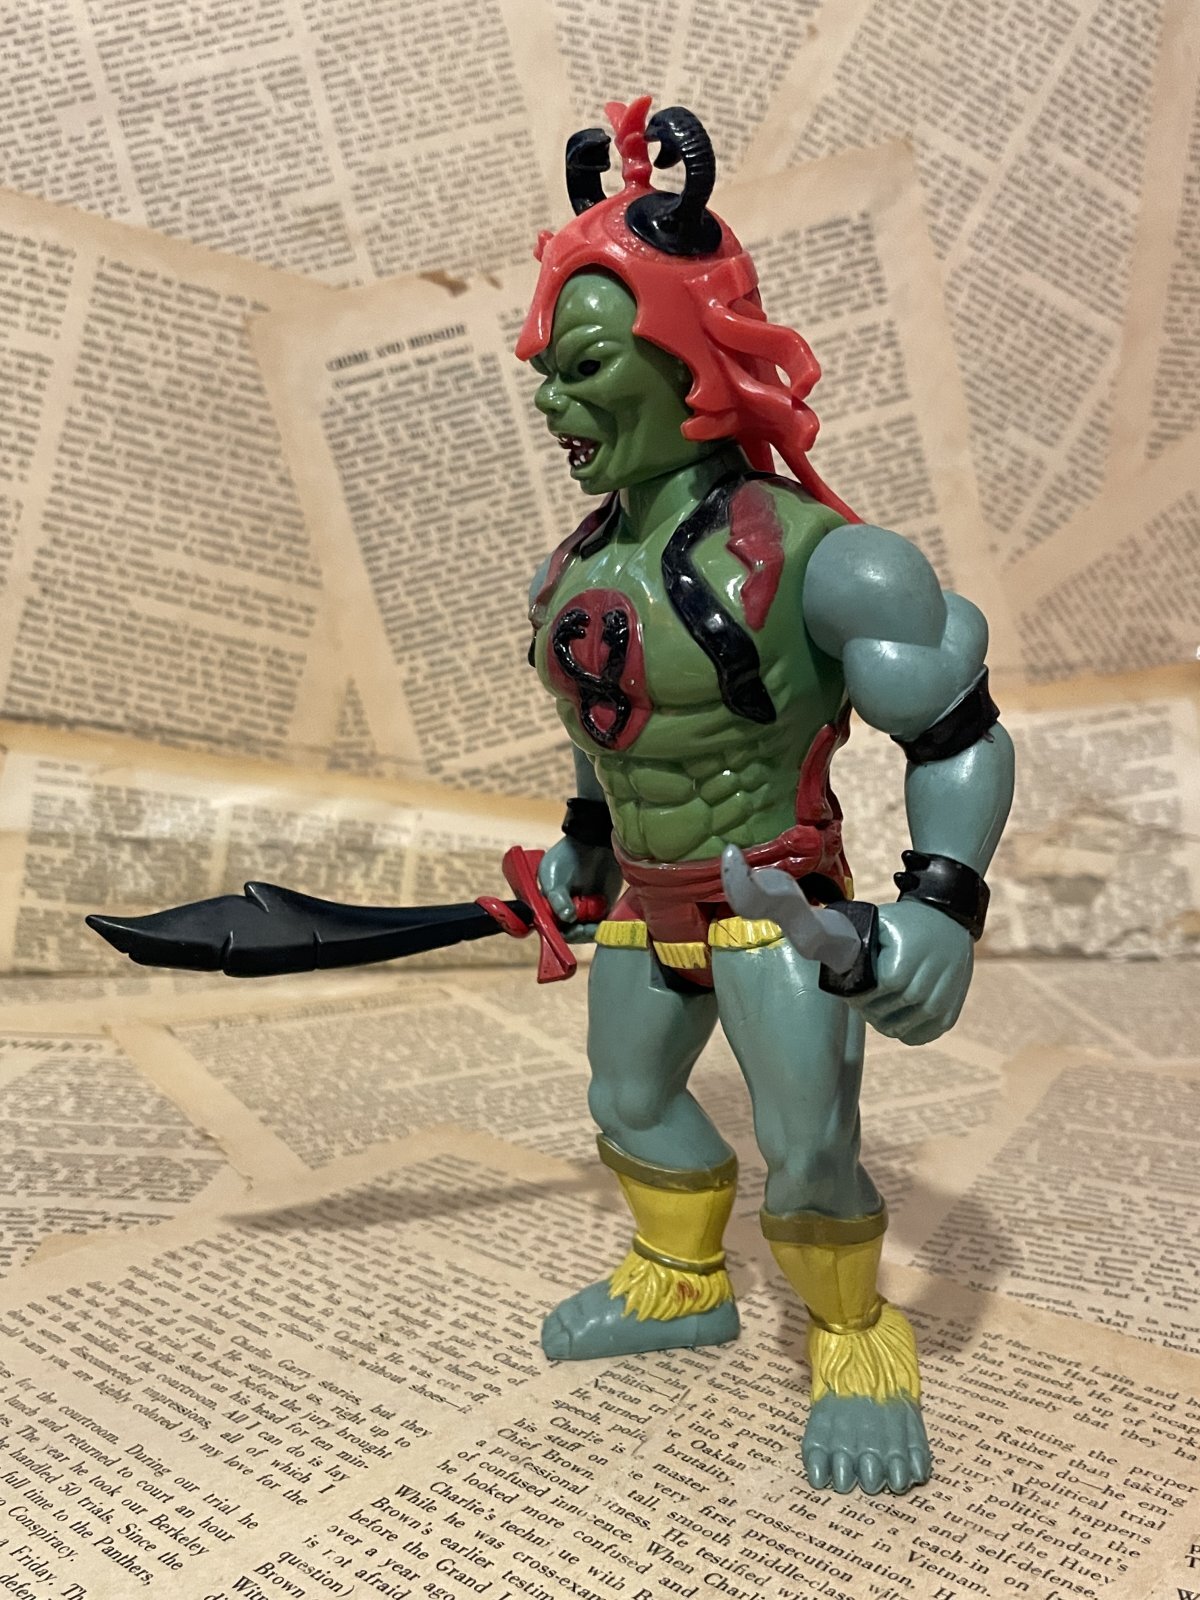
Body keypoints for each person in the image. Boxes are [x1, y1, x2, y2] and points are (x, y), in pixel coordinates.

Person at [518, 97, 1014, 1496]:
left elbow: (960, 734)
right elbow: (604, 726)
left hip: (776, 905)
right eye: (546, 373)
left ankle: (855, 1339)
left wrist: (942, 907)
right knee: (628, 1101)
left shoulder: (826, 562)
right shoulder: (570, 571)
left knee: (807, 1143)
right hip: (645, 901)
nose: (553, 405)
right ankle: (683, 1278)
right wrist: (579, 847)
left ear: (691, 359)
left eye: (585, 367)